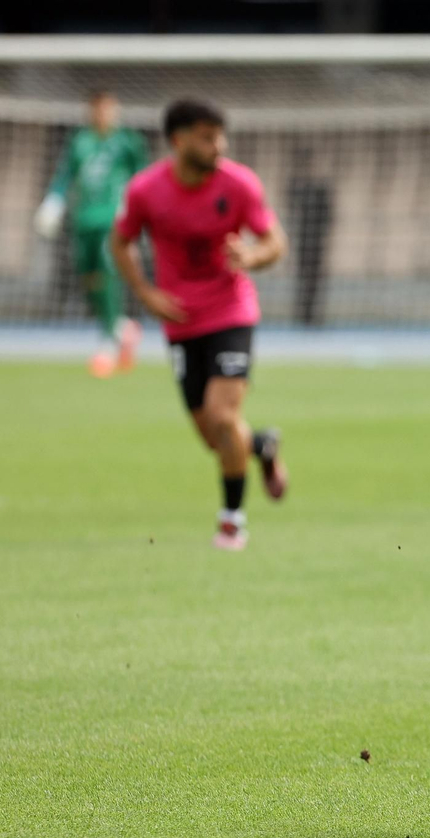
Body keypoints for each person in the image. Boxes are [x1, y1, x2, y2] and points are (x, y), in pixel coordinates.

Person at [110, 99, 290, 551]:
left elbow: (275, 242)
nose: (218, 146)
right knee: (215, 437)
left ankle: (232, 521)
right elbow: (120, 242)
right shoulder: (145, 191)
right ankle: (262, 447)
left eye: (220, 136)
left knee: (223, 417)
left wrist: (250, 257)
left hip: (231, 313)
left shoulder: (240, 184)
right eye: (208, 137)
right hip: (180, 322)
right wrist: (146, 294)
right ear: (179, 140)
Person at [35, 90, 150, 378]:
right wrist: (54, 202)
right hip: (84, 219)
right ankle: (124, 328)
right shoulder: (80, 141)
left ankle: (108, 341)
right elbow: (65, 175)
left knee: (108, 270)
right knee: (90, 277)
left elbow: (144, 177)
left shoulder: (128, 142)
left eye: (109, 108)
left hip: (114, 220)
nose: (103, 114)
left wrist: (137, 211)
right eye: (98, 109)